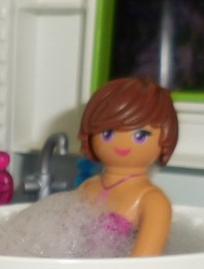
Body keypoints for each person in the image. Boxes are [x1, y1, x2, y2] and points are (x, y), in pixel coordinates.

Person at [76, 77, 179, 256]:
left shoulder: (153, 201)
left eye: (140, 135)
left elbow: (142, 263)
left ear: (166, 138)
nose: (121, 144)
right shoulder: (87, 187)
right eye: (107, 133)